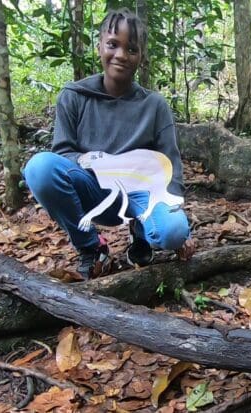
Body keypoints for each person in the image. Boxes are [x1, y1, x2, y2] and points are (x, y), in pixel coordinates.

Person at [24, 9, 194, 280]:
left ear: (141, 56)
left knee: (172, 231)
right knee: (39, 168)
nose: (121, 55)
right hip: (95, 191)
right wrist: (99, 163)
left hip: (141, 193)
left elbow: (171, 165)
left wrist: (177, 216)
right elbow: (63, 153)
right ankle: (92, 248)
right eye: (113, 45)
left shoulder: (154, 105)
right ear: (100, 45)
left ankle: (143, 235)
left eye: (132, 49)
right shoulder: (74, 96)